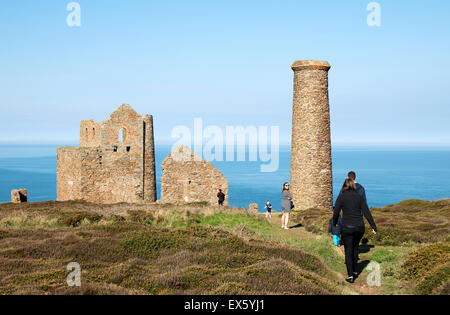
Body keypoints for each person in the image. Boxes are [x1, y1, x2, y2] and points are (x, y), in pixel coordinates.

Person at [333, 179, 378, 283]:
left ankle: (350, 276)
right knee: (355, 248)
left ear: (344, 186)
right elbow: (367, 213)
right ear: (353, 186)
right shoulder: (360, 197)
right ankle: (355, 271)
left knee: (348, 251)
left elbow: (336, 212)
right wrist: (373, 226)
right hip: (359, 227)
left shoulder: (341, 197)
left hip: (347, 227)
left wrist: (335, 222)